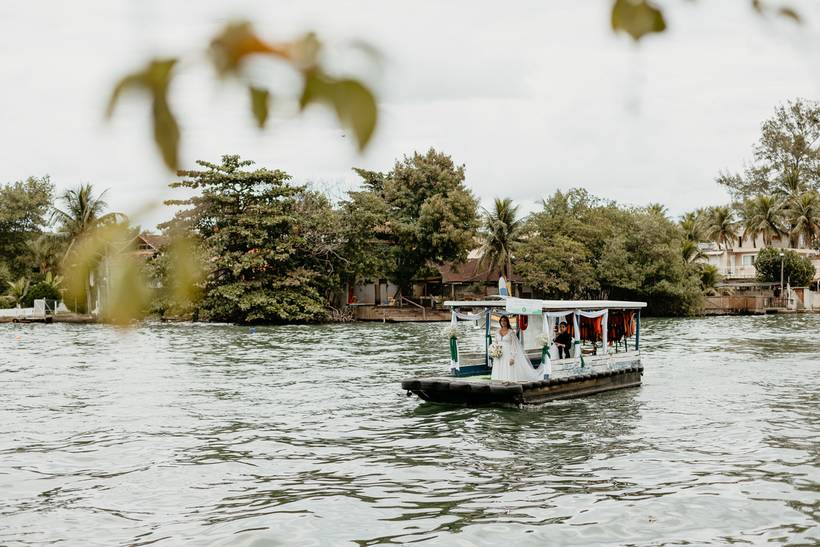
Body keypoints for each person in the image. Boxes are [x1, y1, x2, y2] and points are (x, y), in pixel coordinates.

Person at [491, 316, 544, 382]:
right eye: (501, 321)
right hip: (499, 354)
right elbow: (495, 343)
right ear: (500, 322)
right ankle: (499, 381)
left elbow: (514, 345)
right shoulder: (497, 332)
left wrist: (512, 357)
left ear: (507, 322)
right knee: (499, 368)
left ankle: (508, 382)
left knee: (508, 368)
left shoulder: (511, 332)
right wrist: (494, 351)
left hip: (508, 353)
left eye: (504, 320)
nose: (503, 322)